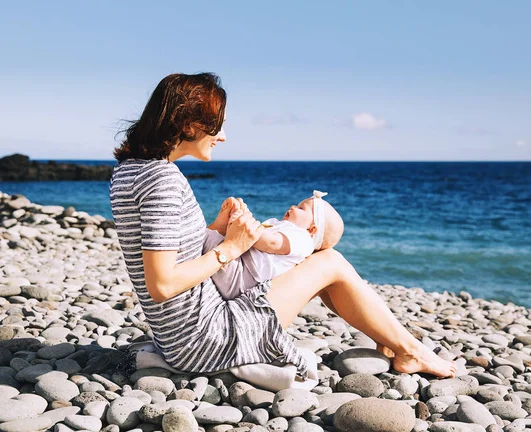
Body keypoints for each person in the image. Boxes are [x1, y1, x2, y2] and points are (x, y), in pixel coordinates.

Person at [109, 72, 456, 380]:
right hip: (206, 339)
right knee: (330, 261)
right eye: (218, 124)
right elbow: (163, 284)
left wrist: (216, 226)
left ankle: (392, 342)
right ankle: (412, 350)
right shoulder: (162, 180)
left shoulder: (130, 171)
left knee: (313, 263)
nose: (223, 136)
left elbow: (170, 253)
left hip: (179, 334)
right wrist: (232, 248)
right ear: (188, 125)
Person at [203, 191, 344, 300]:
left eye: (301, 208)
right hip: (238, 265)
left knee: (207, 238)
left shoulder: (303, 239)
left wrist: (243, 222)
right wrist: (242, 221)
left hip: (241, 276)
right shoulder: (281, 225)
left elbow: (270, 243)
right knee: (213, 239)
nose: (293, 207)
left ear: (312, 229)